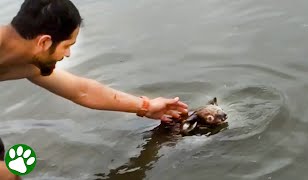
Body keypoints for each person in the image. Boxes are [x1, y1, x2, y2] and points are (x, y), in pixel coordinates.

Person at [0, 0, 188, 179]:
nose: (68, 54)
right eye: (67, 46)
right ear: (44, 42)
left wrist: (146, 106)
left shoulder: (27, 61)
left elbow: (82, 91)